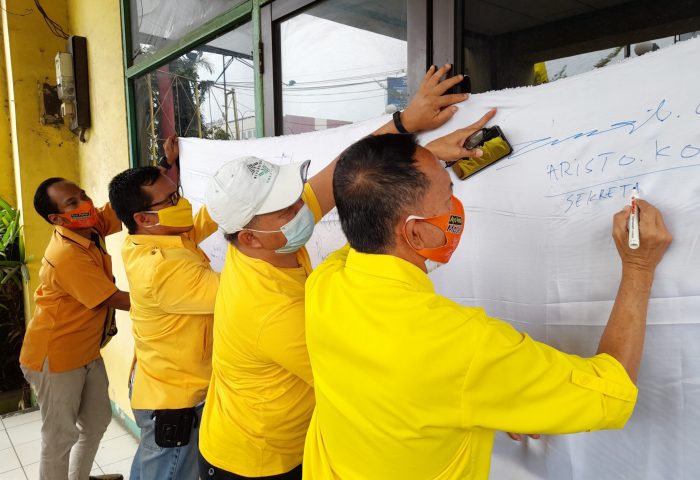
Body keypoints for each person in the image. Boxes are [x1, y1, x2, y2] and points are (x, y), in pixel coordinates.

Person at [302, 133, 673, 479]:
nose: (455, 207)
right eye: (447, 197)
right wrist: (639, 268)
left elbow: (367, 206)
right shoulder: (464, 348)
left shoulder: (325, 283)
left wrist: (422, 161)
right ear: (414, 232)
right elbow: (611, 394)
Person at [198, 64, 481, 480]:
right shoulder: (270, 311)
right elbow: (369, 382)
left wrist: (412, 134)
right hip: (258, 458)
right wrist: (487, 399)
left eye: (296, 197)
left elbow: (346, 176)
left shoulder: (267, 237)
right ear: (250, 237)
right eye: (288, 208)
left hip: (271, 433)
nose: (304, 207)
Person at [108, 139, 219, 480]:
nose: (182, 203)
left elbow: (194, 224)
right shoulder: (163, 267)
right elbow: (240, 292)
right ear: (143, 217)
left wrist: (167, 164)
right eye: (172, 199)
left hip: (156, 381)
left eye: (178, 191)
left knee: (151, 466)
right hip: (174, 401)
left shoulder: (146, 238)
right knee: (168, 472)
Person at [20, 178, 130, 480]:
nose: (84, 204)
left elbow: (124, 206)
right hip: (54, 357)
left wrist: (168, 165)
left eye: (82, 195)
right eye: (72, 203)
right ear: (57, 219)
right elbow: (114, 299)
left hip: (86, 350)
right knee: (59, 437)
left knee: (96, 420)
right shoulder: (66, 254)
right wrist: (174, 302)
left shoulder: (90, 226)